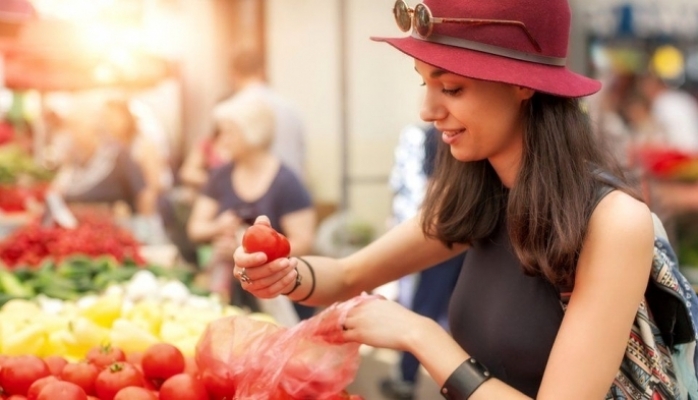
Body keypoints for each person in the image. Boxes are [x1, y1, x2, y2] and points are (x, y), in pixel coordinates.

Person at [233, 0, 656, 398]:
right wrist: (283, 274)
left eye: (451, 88)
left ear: (523, 86)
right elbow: (348, 276)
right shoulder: (483, 191)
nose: (427, 109)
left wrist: (420, 335)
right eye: (424, 82)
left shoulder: (613, 222)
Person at [187, 93, 317, 321]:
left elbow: (304, 242)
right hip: (229, 293)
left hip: (279, 295)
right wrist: (219, 228)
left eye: (229, 132)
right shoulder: (219, 176)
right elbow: (195, 228)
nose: (222, 140)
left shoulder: (287, 183)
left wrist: (256, 253)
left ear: (251, 133)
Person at [382, 123, 465, 400]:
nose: (430, 108)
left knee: (427, 309)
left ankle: (407, 378)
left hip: (451, 235)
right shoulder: (436, 135)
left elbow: (435, 190)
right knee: (443, 312)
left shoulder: (437, 134)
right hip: (458, 235)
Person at [224, 46, 307, 182]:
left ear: (232, 75)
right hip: (292, 191)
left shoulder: (230, 111)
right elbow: (302, 159)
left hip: (253, 194)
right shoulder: (291, 109)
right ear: (263, 72)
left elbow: (226, 159)